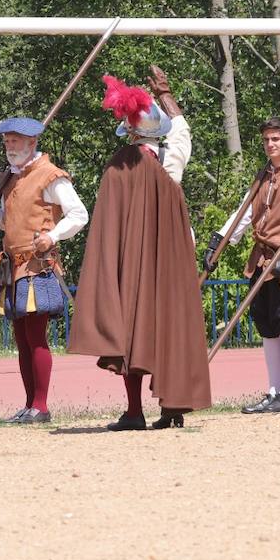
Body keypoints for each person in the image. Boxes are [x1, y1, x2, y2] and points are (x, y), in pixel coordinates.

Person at [67, 69, 212, 430]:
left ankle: (134, 412)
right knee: (169, 324)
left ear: (129, 131)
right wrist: (165, 93)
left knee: (131, 326)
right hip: (170, 258)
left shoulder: (116, 168)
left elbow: (109, 227)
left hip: (131, 265)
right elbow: (182, 132)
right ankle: (173, 408)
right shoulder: (170, 162)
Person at [202, 117, 280, 415]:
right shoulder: (262, 176)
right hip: (261, 259)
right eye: (267, 140)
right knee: (267, 325)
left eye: (276, 139)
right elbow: (245, 213)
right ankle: (273, 391)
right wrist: (220, 240)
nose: (270, 144)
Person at [0, 116, 88, 424]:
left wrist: (52, 236)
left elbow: (79, 214)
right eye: (7, 141)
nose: (9, 146)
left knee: (36, 337)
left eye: (14, 141)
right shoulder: (11, 177)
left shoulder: (50, 175)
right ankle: (29, 405)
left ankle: (41, 405)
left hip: (39, 267)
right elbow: (15, 220)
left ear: (32, 142)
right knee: (22, 339)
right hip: (13, 267)